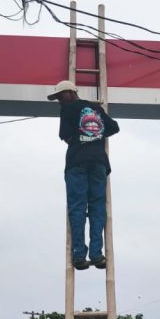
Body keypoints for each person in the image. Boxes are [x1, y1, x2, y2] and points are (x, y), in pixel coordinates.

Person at [47, 79, 120, 270]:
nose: (60, 101)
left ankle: (79, 255)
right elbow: (114, 127)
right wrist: (96, 134)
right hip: (98, 163)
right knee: (98, 208)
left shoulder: (67, 109)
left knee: (77, 208)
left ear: (71, 93)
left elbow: (64, 135)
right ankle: (97, 255)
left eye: (61, 96)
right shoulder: (95, 109)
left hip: (77, 163)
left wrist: (79, 138)